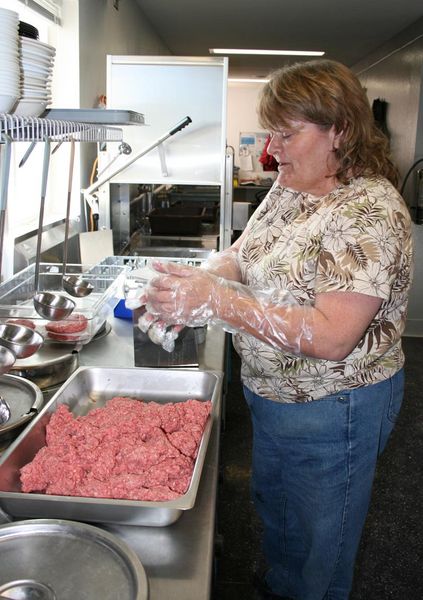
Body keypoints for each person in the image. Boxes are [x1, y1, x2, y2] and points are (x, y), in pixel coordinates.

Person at [143, 59, 414, 600]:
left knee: (322, 539)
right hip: (270, 391)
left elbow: (333, 337)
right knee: (278, 504)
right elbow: (240, 257)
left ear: (339, 130)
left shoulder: (368, 213)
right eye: (272, 132)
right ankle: (283, 584)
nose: (272, 150)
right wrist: (199, 285)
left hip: (334, 405)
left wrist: (218, 301)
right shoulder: (290, 186)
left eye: (286, 134)